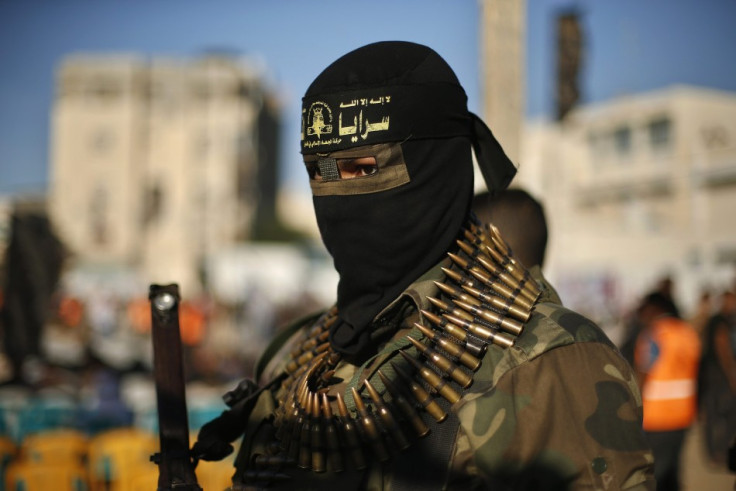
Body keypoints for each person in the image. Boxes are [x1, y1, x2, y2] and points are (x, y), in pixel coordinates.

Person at [192, 41, 655, 490]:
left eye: (362, 168)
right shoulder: (298, 355)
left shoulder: (547, 362)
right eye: (319, 172)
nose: (336, 196)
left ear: (433, 166)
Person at [634, 292, 701, 490]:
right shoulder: (687, 332)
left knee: (656, 474)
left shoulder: (655, 334)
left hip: (657, 416)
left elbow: (643, 373)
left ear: (655, 309)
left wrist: (634, 405)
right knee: (673, 469)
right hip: (683, 413)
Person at [698, 289, 736, 467]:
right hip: (717, 375)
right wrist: (732, 374)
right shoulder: (720, 320)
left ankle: (716, 452)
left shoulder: (719, 319)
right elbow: (723, 348)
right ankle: (718, 453)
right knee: (721, 414)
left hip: (712, 373)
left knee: (716, 413)